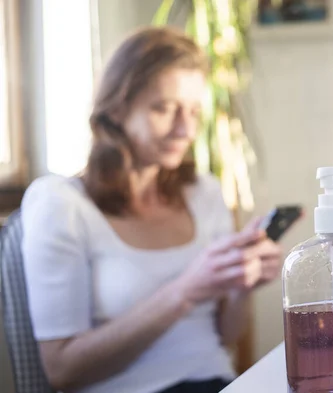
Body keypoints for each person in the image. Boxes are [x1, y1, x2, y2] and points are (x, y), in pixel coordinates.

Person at [20, 26, 284, 393]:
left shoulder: (203, 193)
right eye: (164, 109)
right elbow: (64, 371)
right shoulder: (61, 205)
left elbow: (226, 334)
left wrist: (242, 284)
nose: (185, 130)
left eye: (193, 112)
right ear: (116, 107)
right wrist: (184, 291)